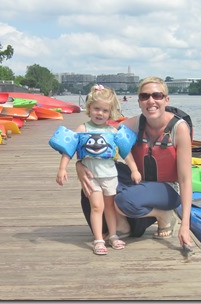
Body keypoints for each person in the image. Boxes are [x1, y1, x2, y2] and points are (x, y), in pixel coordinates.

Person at [76, 76, 193, 250]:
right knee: (95, 177)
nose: (150, 101)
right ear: (139, 101)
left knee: (124, 200)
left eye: (157, 96)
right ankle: (123, 224)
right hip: (141, 183)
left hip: (167, 188)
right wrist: (79, 165)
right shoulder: (135, 123)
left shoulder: (179, 128)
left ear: (166, 100)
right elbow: (101, 140)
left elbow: (185, 180)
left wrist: (185, 225)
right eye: (145, 96)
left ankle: (162, 213)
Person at [54, 84, 141, 255]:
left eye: (105, 111)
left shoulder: (113, 131)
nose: (100, 113)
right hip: (91, 175)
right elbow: (68, 150)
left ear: (110, 112)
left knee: (110, 206)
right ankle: (99, 239)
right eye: (96, 109)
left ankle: (113, 235)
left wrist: (134, 169)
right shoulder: (82, 129)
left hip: (109, 174)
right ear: (89, 108)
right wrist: (62, 169)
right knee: (96, 206)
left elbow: (126, 152)